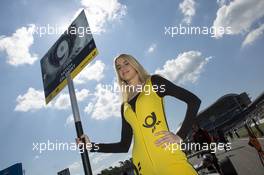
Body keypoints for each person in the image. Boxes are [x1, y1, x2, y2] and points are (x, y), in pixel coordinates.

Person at [77, 54, 201, 175]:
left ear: (135, 65)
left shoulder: (154, 82)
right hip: (142, 166)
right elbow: (123, 145)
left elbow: (193, 101)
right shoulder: (124, 106)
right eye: (118, 67)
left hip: (168, 157)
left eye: (126, 63)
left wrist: (180, 136)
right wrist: (91, 146)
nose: (123, 68)